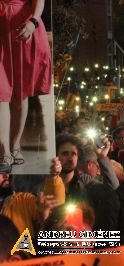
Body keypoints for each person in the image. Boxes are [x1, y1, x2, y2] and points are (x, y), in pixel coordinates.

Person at [0, 0, 52, 172]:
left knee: (20, 95)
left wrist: (33, 21)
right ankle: (4, 151)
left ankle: (14, 147)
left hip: (21, 27)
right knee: (1, 93)